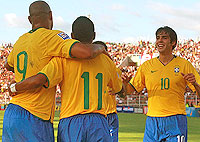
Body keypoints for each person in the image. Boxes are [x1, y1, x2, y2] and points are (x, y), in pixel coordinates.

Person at [3, 1, 107, 142]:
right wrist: (101, 47)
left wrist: (17, 82)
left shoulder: (20, 41)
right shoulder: (52, 37)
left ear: (29, 19)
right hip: (35, 114)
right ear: (51, 15)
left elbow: (8, 65)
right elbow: (86, 52)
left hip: (12, 114)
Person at [124, 26, 200, 142]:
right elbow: (128, 91)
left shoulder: (184, 65)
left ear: (173, 43)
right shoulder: (147, 66)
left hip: (175, 119)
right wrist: (124, 83)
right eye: (158, 38)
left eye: (164, 38)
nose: (160, 40)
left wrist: (195, 83)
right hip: (152, 121)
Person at [93, 40, 121, 142]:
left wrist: (116, 90)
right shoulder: (112, 67)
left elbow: (119, 87)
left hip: (107, 111)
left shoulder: (113, 68)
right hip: (100, 112)